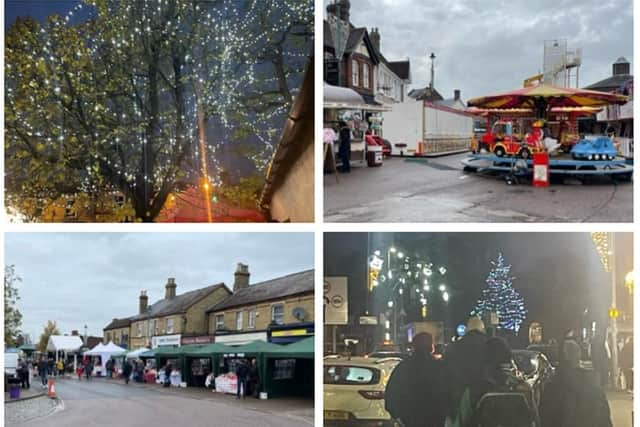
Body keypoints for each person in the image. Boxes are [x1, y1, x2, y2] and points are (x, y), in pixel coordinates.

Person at [539, 340, 612, 427]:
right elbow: (603, 414)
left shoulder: (553, 386)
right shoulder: (591, 382)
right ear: (578, 355)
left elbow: (545, 417)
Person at [385, 332, 447, 427]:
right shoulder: (439, 367)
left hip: (410, 420)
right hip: (435, 420)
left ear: (414, 346)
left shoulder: (403, 367)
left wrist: (399, 417)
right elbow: (449, 393)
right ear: (431, 347)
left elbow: (391, 395)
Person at [444, 316, 489, 417]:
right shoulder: (491, 345)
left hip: (459, 398)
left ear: (467, 330)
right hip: (486, 399)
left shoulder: (453, 347)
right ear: (483, 329)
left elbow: (446, 374)